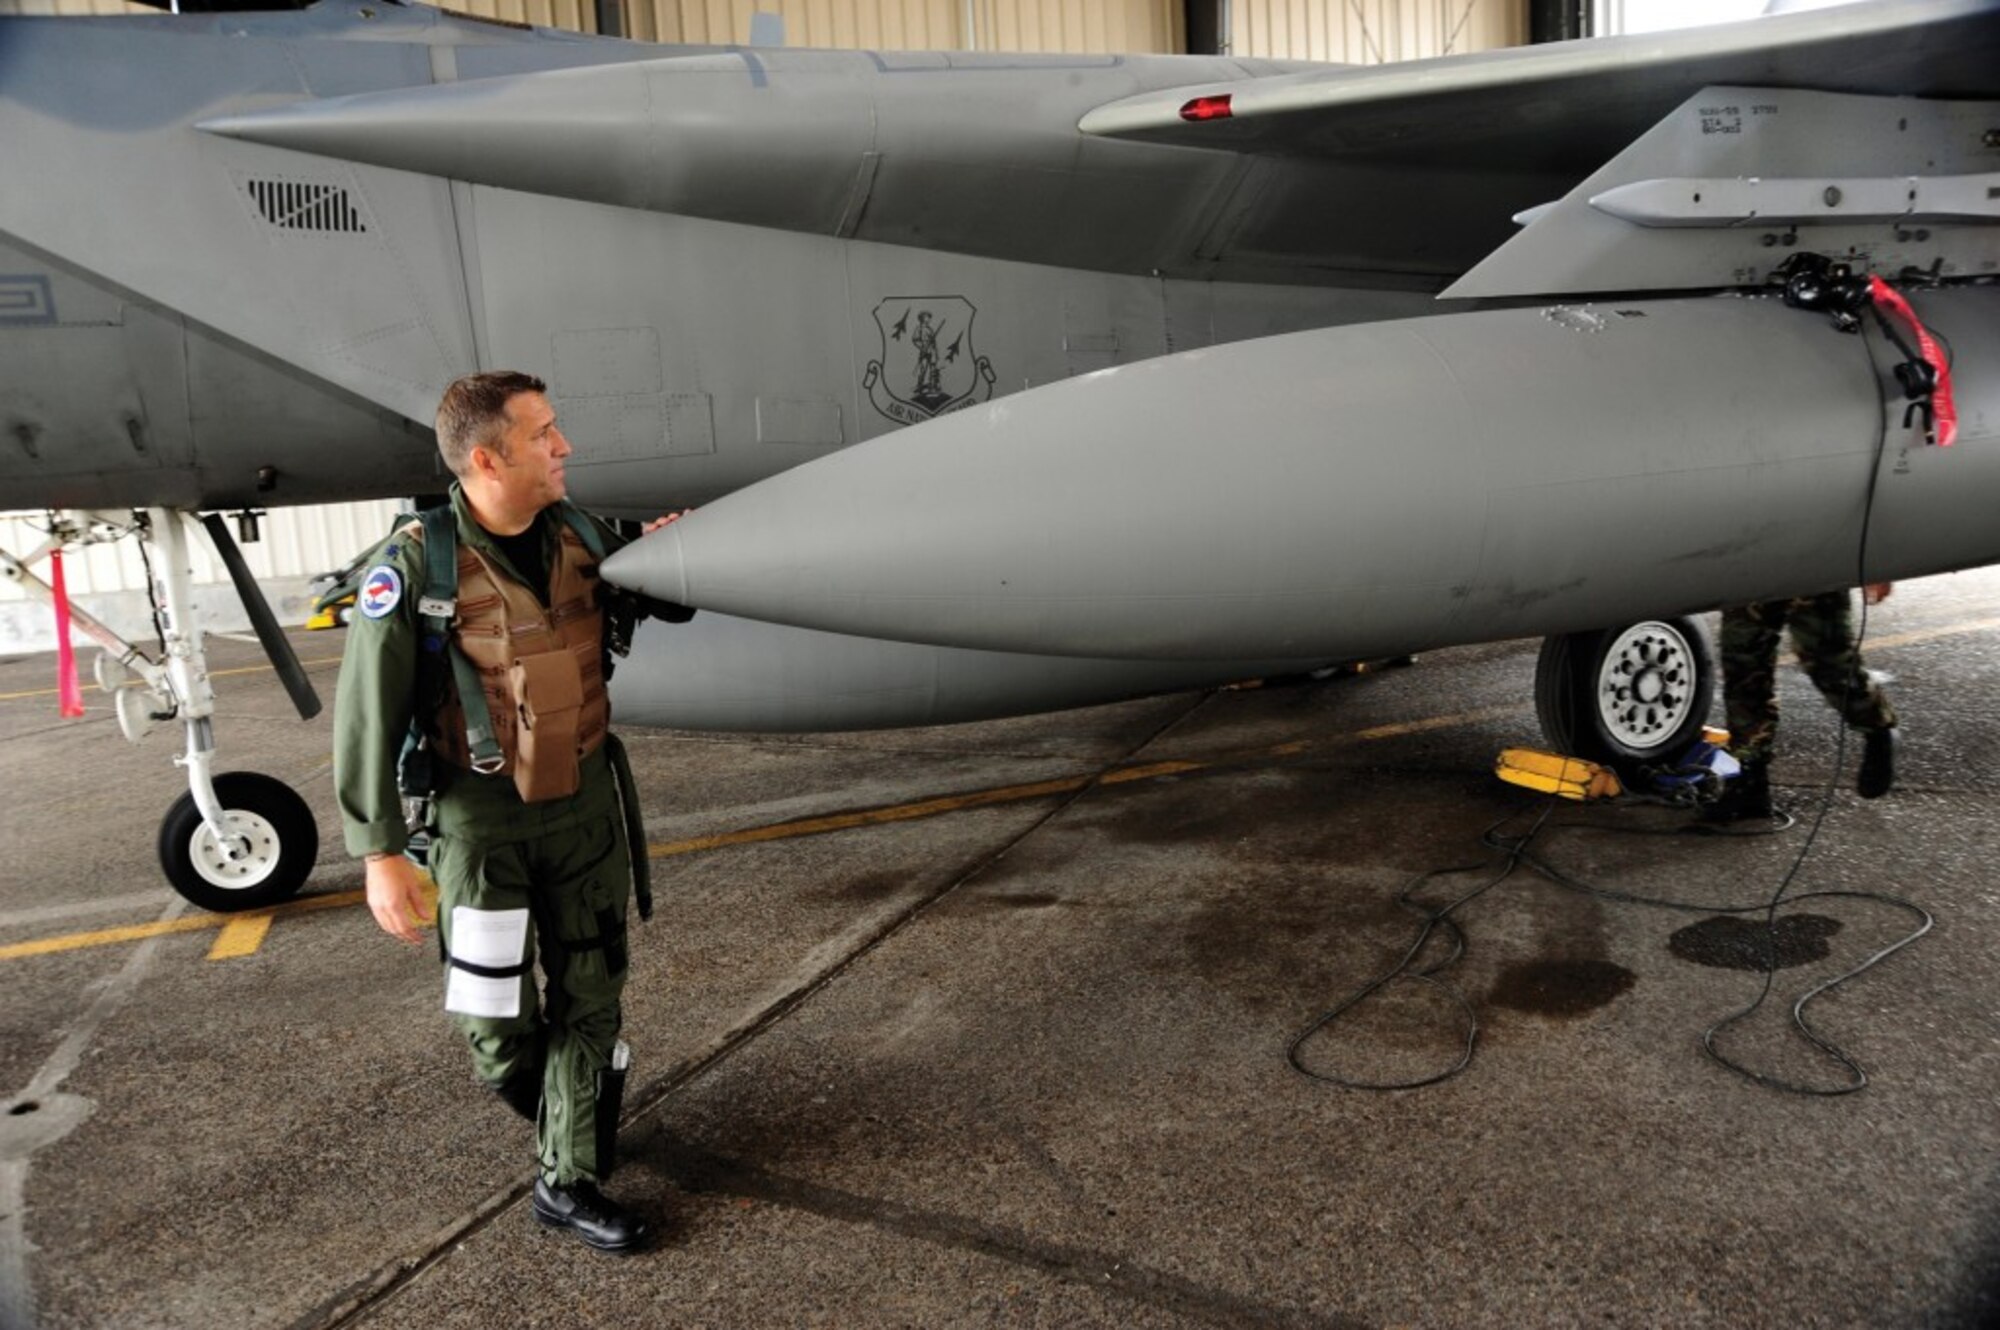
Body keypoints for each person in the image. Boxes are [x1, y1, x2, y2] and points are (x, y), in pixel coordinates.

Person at [333, 370, 683, 1254]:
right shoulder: (415, 564)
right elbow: (366, 717)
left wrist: (678, 551)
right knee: (492, 1022)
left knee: (592, 993)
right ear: (488, 458)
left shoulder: (582, 533)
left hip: (586, 807)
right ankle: (570, 1110)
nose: (564, 447)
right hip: (479, 824)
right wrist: (379, 853)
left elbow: (662, 587)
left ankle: (566, 1177)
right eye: (544, 435)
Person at [1704, 584, 1897, 822]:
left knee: (1830, 665)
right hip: (1752, 567)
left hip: (1813, 567)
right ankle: (1749, 780)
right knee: (1743, 671)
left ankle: (1877, 727)